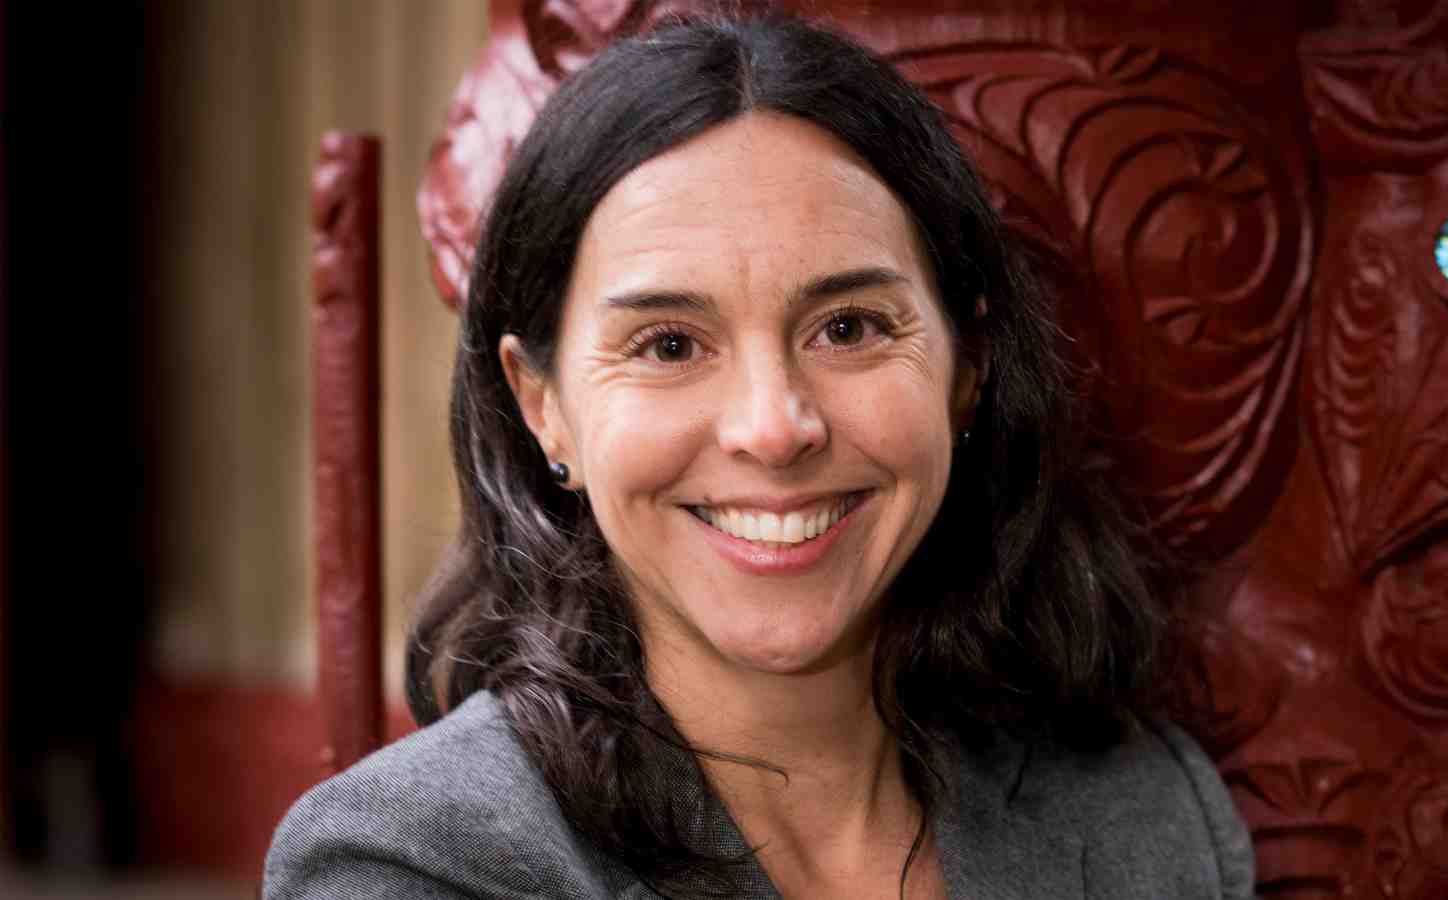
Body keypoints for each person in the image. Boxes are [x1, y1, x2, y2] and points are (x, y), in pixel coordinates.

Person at [265, 12, 1254, 900]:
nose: (774, 428)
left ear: (968, 367)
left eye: (851, 327)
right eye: (668, 344)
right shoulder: (414, 862)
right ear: (543, 407)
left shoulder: (1143, 814)